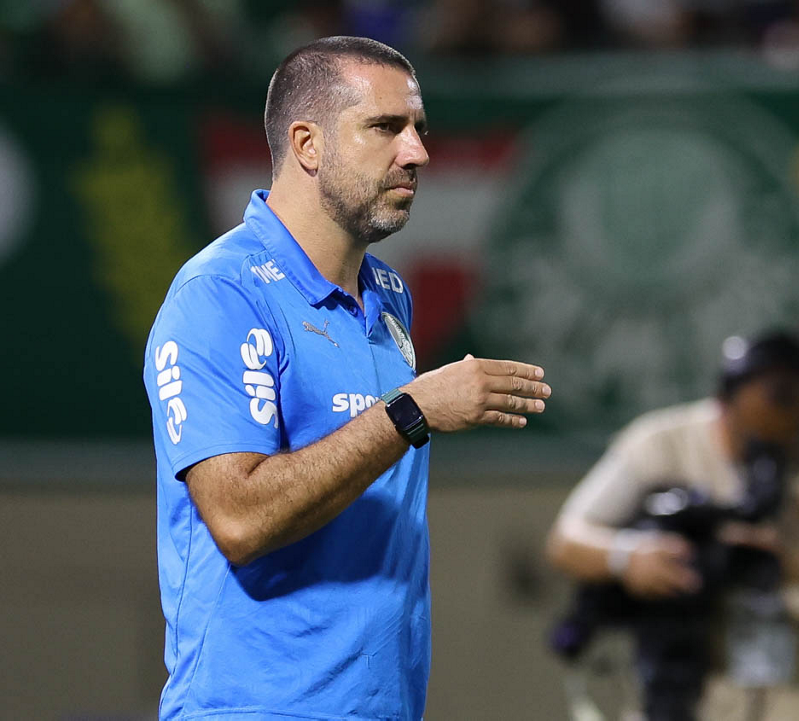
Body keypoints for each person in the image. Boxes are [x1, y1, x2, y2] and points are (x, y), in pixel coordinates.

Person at [142, 36, 551, 720]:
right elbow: (239, 518)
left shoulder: (389, 293)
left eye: (419, 128)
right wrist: (408, 412)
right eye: (386, 128)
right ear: (307, 144)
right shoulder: (219, 294)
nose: (417, 152)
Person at [546, 330, 799, 721]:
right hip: (674, 684)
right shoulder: (662, 445)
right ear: (728, 398)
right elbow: (566, 540)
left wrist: (786, 567)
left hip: (794, 695)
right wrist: (629, 558)